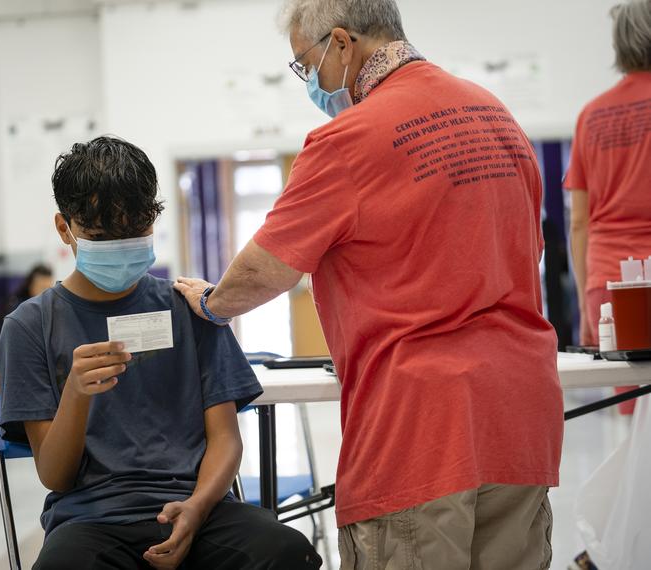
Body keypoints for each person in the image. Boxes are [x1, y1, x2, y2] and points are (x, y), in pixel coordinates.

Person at [173, 1, 563, 568]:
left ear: (340, 43)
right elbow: (531, 248)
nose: (310, 82)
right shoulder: (496, 115)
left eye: (304, 65)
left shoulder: (348, 139)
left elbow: (265, 270)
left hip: (420, 427)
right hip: (522, 416)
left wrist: (210, 303)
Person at [0, 137, 321, 570]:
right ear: (64, 228)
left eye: (135, 231)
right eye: (100, 235)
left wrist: (198, 507)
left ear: (153, 219)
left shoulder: (189, 308)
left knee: (285, 551)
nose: (121, 245)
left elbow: (225, 437)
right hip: (92, 519)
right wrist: (75, 395)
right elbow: (55, 476)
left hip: (200, 507)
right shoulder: (30, 326)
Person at [564, 3, 651, 568]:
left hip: (612, 285)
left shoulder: (592, 114)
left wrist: (587, 293)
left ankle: (615, 548)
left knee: (636, 422)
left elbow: (578, 218)